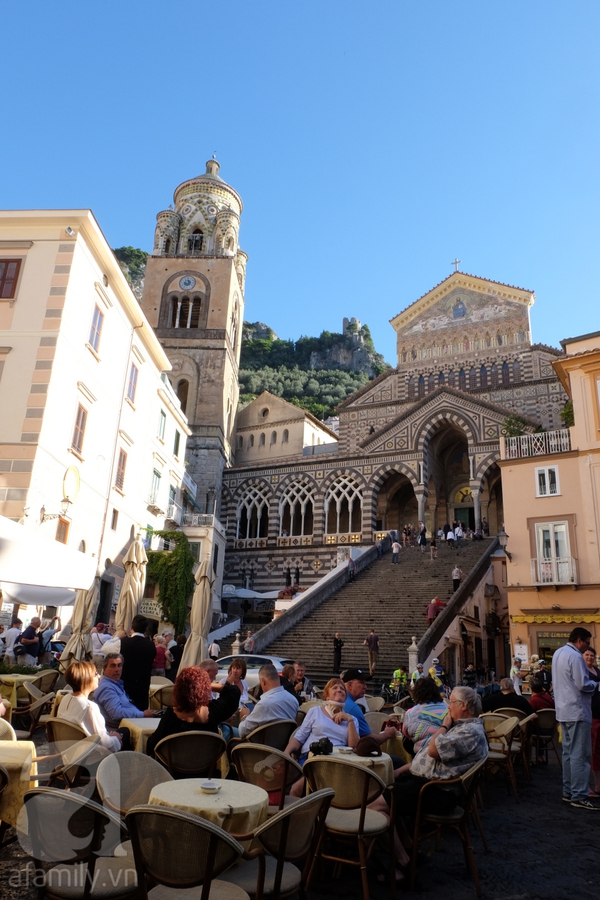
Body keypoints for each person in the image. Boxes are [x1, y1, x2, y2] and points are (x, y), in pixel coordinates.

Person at [393, 686, 488, 822]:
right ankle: (402, 839)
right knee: (389, 777)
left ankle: (391, 840)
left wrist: (444, 726)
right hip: (427, 784)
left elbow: (432, 751)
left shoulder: (469, 732)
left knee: (379, 797)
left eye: (451, 702)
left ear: (463, 706)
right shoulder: (462, 727)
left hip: (436, 792)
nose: (448, 707)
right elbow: (428, 759)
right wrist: (400, 771)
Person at [147, 665, 241, 759]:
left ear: (179, 690)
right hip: (206, 770)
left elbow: (151, 746)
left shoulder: (170, 717)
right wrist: (206, 685)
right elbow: (234, 692)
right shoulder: (214, 712)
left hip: (172, 771)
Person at [553, 627, 599, 809]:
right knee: (581, 754)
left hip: (563, 710)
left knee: (568, 753)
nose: (587, 647)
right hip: (577, 711)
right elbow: (582, 684)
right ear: (579, 640)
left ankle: (568, 791)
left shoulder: (558, 653)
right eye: (587, 642)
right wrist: (595, 685)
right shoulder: (575, 656)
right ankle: (579, 794)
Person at [285, 678, 360, 764]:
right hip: (312, 756)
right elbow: (300, 736)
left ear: (345, 697)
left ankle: (304, 778)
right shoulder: (315, 711)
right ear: (327, 696)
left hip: (337, 760)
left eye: (342, 688)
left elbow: (354, 748)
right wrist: (286, 753)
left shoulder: (352, 719)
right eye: (335, 688)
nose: (339, 690)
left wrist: (349, 720)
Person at [61, 660, 124, 752]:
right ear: (87, 679)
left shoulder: (65, 698)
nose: (99, 676)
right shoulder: (89, 707)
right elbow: (105, 743)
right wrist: (116, 738)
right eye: (95, 674)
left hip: (70, 750)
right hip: (88, 755)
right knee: (125, 732)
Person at [94, 653, 156, 728]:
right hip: (117, 731)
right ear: (104, 669)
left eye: (119, 665)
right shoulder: (106, 688)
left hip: (131, 724)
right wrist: (142, 714)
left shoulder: (115, 684)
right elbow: (117, 713)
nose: (117, 669)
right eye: (112, 666)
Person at [238, 663, 299, 739]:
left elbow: (241, 732)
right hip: (283, 746)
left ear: (263, 681)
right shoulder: (293, 700)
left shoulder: (264, 705)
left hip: (260, 747)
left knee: (231, 732)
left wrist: (245, 716)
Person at [402, 677, 449, 755]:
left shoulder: (411, 713)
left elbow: (406, 733)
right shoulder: (448, 708)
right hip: (445, 751)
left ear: (416, 693)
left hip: (421, 754)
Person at [119, 615, 156, 711]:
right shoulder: (151, 646)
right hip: (142, 690)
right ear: (145, 629)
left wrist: (118, 637)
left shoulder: (122, 643)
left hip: (125, 688)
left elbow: (105, 648)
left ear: (131, 627)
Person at [583, 647, 600, 797]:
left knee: (598, 753)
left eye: (592, 655)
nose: (590, 657)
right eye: (587, 655)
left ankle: (598, 785)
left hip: (599, 715)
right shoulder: (582, 671)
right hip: (590, 716)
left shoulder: (597, 671)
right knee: (588, 752)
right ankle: (585, 786)